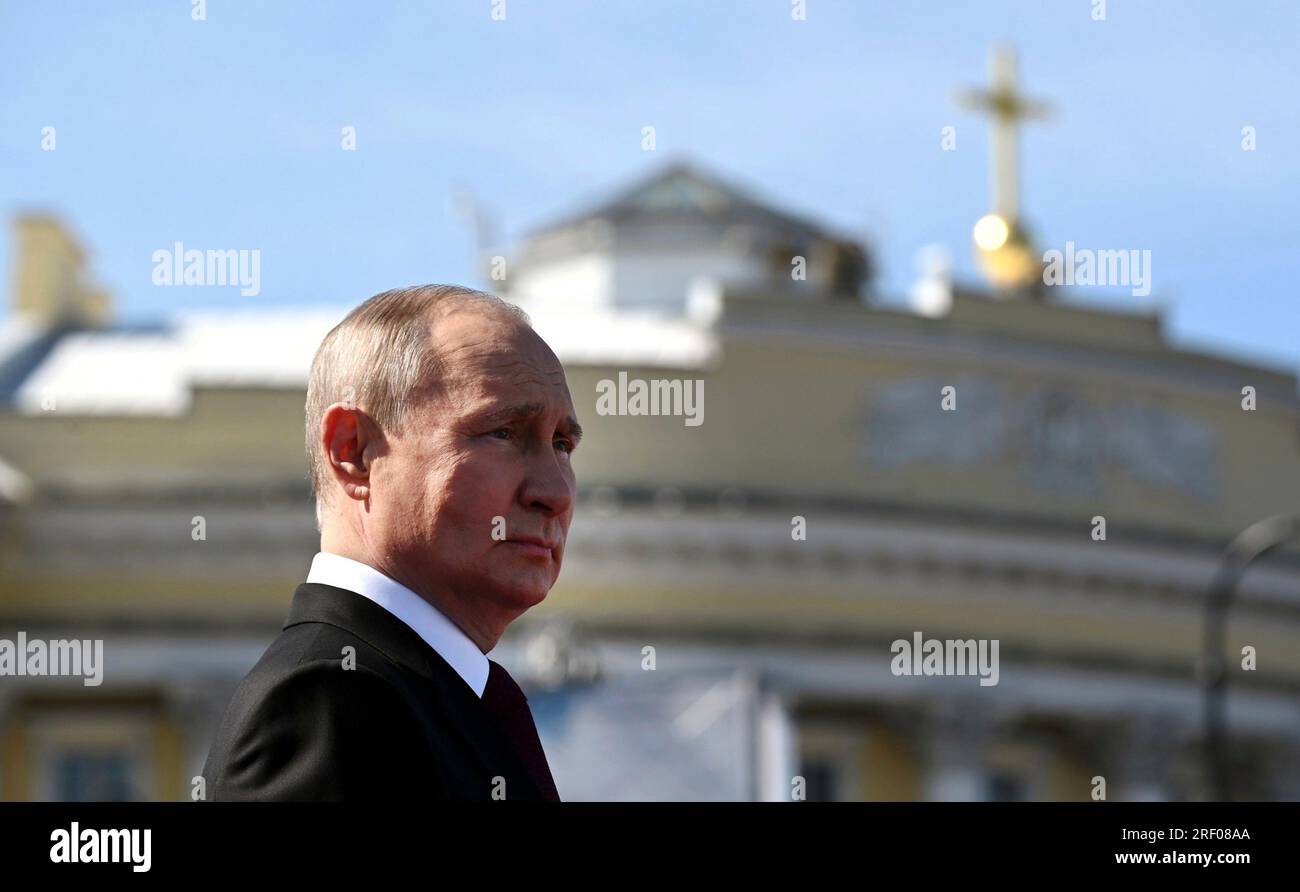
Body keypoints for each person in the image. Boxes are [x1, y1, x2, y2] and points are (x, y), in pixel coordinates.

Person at [202, 284, 580, 800]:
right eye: (503, 432)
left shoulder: (438, 697)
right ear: (353, 452)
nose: (554, 493)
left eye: (562, 444)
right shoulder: (329, 701)